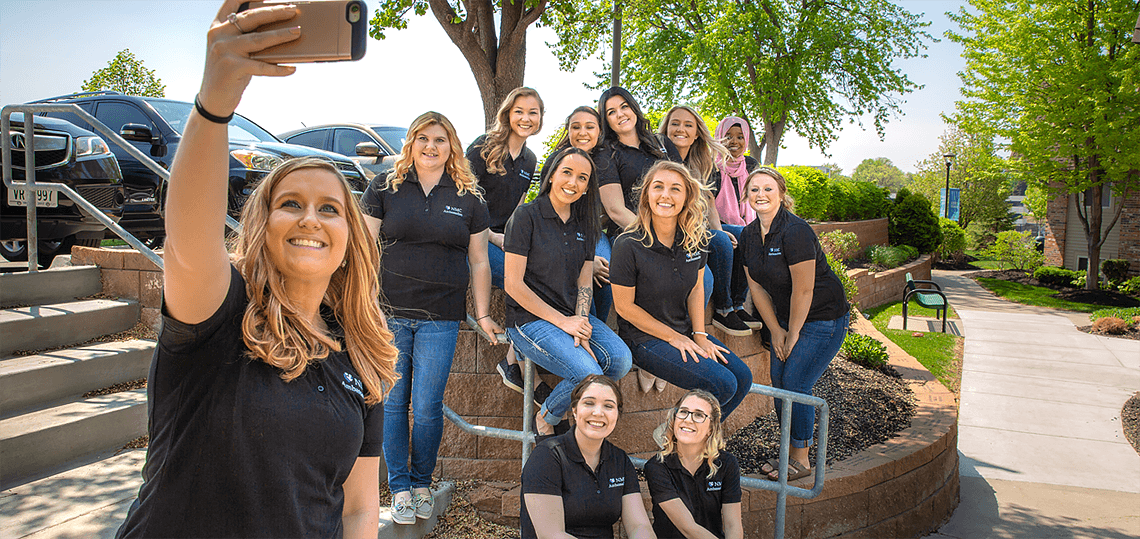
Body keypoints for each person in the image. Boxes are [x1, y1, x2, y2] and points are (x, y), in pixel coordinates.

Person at [116, 3, 397, 537]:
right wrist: (215, 103)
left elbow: (359, 508)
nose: (310, 217)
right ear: (261, 226)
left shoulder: (363, 358)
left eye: (330, 208)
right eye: (290, 203)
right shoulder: (218, 312)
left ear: (350, 242)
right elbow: (189, 236)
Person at [360, 111, 504, 524]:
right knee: (391, 403)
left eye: (440, 139)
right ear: (411, 142)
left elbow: (480, 262)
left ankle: (422, 482)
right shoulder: (385, 186)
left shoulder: (468, 197)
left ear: (452, 147)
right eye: (423, 138)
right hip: (388, 314)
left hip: (440, 316)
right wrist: (364, 302)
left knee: (426, 405)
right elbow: (365, 248)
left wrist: (482, 314)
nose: (430, 146)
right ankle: (400, 487)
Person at [503, 147, 632, 435]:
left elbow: (585, 281)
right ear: (551, 175)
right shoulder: (526, 217)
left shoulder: (585, 224)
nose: (573, 183)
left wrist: (581, 323)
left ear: (588, 188)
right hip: (528, 320)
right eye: (567, 173)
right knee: (589, 374)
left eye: (582, 178)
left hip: (570, 316)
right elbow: (513, 284)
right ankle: (548, 421)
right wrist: (564, 323)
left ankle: (550, 408)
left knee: (620, 361)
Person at [610, 161, 753, 418]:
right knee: (723, 384)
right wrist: (673, 337)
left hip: (684, 332)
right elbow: (624, 307)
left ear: (687, 196)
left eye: (675, 189)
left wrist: (699, 335)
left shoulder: (694, 238)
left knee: (742, 378)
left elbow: (698, 288)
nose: (666, 195)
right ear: (647, 195)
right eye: (658, 187)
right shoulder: (627, 244)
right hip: (644, 338)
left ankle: (694, 442)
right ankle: (676, 437)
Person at [740, 167, 850, 482]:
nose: (761, 195)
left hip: (823, 318)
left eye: (768, 189)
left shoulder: (796, 231)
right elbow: (757, 288)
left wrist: (795, 333)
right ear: (747, 196)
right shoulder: (749, 234)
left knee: (795, 383)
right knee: (779, 381)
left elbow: (804, 289)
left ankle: (801, 459)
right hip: (787, 319)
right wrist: (776, 330)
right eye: (754, 190)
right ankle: (789, 453)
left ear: (782, 194)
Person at [595, 87, 700, 392]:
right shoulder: (607, 154)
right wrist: (654, 237)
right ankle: (646, 352)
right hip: (631, 234)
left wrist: (677, 233)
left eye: (624, 106)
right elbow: (615, 210)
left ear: (635, 108)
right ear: (606, 121)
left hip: (672, 233)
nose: (620, 115)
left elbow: (681, 188)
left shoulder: (661, 144)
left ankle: (680, 340)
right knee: (621, 275)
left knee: (705, 263)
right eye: (611, 112)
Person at [465, 88, 545, 398]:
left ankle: (513, 358)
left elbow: (517, 209)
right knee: (521, 280)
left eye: (533, 112)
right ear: (508, 114)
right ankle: (523, 367)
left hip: (502, 239)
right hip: (475, 239)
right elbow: (462, 203)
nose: (526, 118)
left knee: (542, 272)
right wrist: (494, 237)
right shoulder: (483, 148)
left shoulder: (529, 160)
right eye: (520, 111)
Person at [520, 375, 655, 539]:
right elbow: (552, 534)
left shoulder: (619, 459)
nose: (598, 412)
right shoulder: (546, 456)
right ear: (575, 411)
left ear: (617, 415)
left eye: (608, 406)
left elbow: (638, 525)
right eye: (589, 403)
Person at [659, 106, 752, 337]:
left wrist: (719, 229)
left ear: (697, 132)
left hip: (698, 225)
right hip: (673, 229)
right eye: (675, 124)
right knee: (718, 243)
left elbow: (708, 201)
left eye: (688, 125)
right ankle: (723, 309)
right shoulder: (658, 158)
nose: (681, 129)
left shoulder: (698, 160)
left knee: (744, 235)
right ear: (666, 128)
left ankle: (736, 306)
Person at [541, 106, 613, 322]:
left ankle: (596, 328)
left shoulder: (606, 160)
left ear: (599, 131)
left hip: (593, 231)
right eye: (576, 127)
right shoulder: (557, 160)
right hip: (560, 230)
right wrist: (586, 259)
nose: (583, 132)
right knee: (580, 270)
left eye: (589, 127)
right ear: (568, 131)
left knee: (606, 274)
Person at [645, 390, 743, 539]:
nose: (688, 420)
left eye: (699, 415)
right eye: (683, 412)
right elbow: (688, 528)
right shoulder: (657, 466)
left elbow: (733, 525)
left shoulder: (727, 463)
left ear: (711, 428)